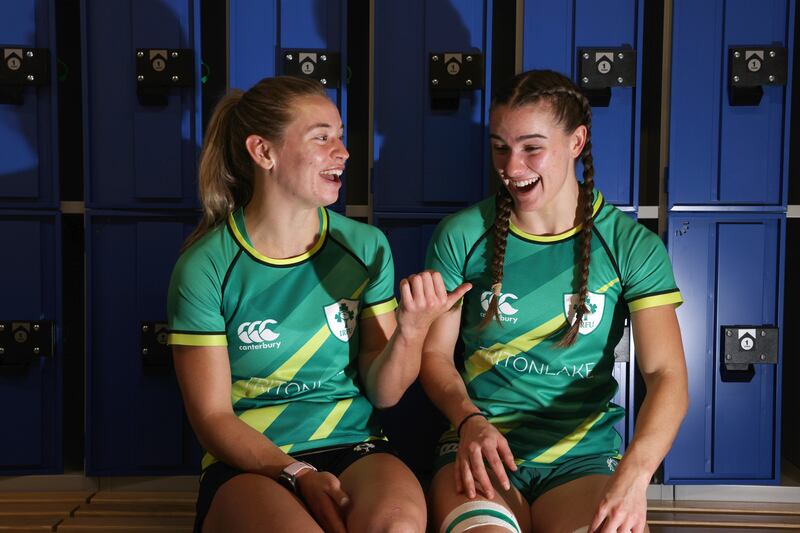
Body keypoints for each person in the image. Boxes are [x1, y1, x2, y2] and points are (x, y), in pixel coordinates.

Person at [167, 76, 469, 533]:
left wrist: (411, 332)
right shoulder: (206, 266)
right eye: (322, 138)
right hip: (251, 463)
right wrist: (297, 473)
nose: (343, 152)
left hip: (353, 446)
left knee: (398, 527)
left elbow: (385, 393)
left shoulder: (366, 246)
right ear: (263, 152)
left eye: (341, 136)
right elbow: (212, 417)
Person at [420, 70, 688, 533]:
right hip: (481, 445)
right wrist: (468, 420)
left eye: (532, 148)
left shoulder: (629, 245)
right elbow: (434, 356)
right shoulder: (462, 235)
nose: (511, 167)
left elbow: (667, 375)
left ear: (576, 142)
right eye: (500, 147)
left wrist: (635, 475)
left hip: (582, 458)